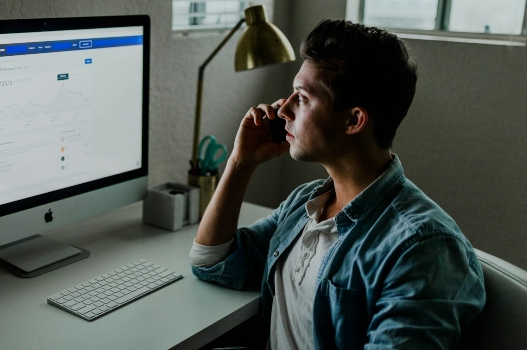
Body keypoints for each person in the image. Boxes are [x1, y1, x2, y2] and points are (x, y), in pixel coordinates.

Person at [189, 19, 486, 349]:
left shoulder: (423, 248)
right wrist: (240, 163)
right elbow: (212, 262)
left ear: (353, 120)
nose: (283, 108)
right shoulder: (307, 204)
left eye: (302, 97)